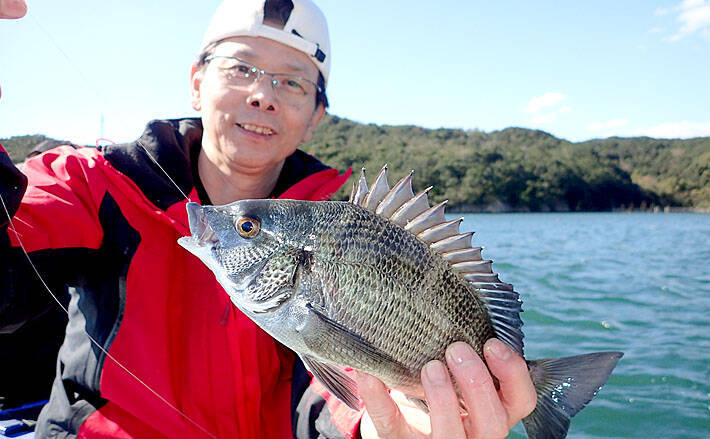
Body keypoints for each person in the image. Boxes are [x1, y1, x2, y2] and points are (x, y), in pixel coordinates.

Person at [0, 0, 537, 437]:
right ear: (196, 81)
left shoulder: (341, 224)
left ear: (316, 117)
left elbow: (335, 391)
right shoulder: (89, 181)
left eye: (293, 83)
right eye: (240, 68)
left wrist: (381, 428)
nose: (262, 95)